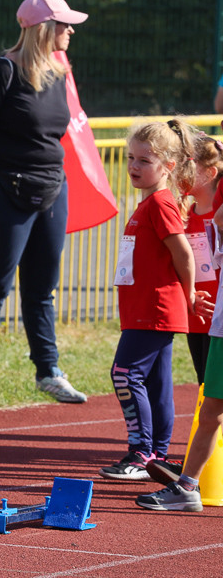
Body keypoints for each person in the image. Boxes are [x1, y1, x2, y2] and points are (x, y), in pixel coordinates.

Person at [0, 0, 89, 402]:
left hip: (52, 188)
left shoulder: (59, 72)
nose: (70, 30)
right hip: (3, 189)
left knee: (41, 288)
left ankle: (48, 371)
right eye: (64, 23)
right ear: (43, 28)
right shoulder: (3, 70)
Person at [99, 120, 201, 482]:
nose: (133, 166)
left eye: (145, 160)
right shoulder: (149, 204)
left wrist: (187, 293)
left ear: (168, 166)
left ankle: (141, 452)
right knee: (157, 383)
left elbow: (184, 253)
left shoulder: (160, 204)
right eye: (130, 158)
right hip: (142, 309)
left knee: (125, 374)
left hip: (156, 309)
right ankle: (157, 453)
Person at [137, 194, 223, 511]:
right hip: (220, 329)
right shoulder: (208, 219)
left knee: (213, 411)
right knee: (211, 410)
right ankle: (187, 486)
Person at [178, 134, 223, 384]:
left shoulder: (221, 214)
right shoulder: (181, 214)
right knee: (205, 387)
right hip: (197, 318)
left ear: (209, 173)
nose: (178, 169)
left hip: (220, 319)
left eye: (187, 163)